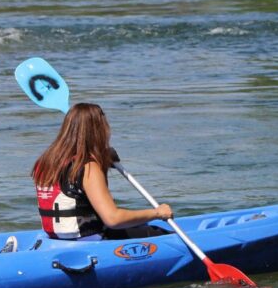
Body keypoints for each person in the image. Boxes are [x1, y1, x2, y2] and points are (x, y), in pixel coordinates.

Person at [32, 103, 173, 241]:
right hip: (90, 238)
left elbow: (74, 189)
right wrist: (157, 213)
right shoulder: (88, 167)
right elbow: (113, 219)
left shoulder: (45, 162)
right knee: (159, 233)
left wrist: (103, 159)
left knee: (140, 224)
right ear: (98, 130)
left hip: (56, 237)